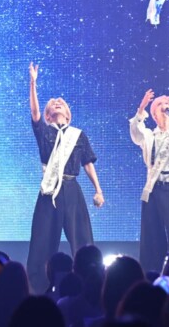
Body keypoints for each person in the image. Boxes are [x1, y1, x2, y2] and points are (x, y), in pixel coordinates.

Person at [25, 62, 104, 293]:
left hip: (71, 189)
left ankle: (91, 287)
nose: (57, 102)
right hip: (49, 191)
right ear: (48, 114)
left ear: (68, 113)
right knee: (41, 241)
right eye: (53, 103)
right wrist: (33, 82)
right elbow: (34, 113)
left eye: (61, 102)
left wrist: (98, 190)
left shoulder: (78, 135)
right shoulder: (44, 131)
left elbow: (87, 163)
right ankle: (38, 291)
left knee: (82, 240)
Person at [129, 89, 169, 273]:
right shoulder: (150, 136)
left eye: (167, 103)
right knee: (151, 236)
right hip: (152, 190)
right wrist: (141, 109)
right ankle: (151, 274)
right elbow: (136, 134)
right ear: (154, 114)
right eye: (159, 104)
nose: (164, 106)